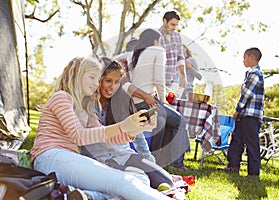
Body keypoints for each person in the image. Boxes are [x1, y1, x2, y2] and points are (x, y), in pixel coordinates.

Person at [30, 56, 172, 200]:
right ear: (77, 75)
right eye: (92, 77)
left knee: (138, 178)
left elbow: (107, 140)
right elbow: (79, 136)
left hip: (66, 160)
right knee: (124, 182)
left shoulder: (85, 108)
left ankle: (89, 196)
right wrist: (122, 126)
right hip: (50, 158)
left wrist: (139, 128)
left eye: (97, 80)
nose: (95, 84)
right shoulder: (61, 97)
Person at [80, 56, 174, 189]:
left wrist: (149, 160)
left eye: (117, 82)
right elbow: (101, 136)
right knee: (134, 183)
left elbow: (139, 138)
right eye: (108, 81)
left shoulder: (122, 101)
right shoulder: (89, 104)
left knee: (166, 182)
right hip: (98, 158)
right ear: (98, 80)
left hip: (124, 154)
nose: (112, 86)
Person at [123, 28, 190, 169]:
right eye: (159, 40)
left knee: (162, 120)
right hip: (147, 103)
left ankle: (160, 160)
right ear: (155, 40)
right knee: (180, 121)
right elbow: (158, 79)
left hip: (134, 103)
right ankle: (177, 163)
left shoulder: (134, 54)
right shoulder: (158, 51)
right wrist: (164, 101)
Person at [218, 47, 264, 178]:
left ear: (251, 57)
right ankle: (233, 166)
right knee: (236, 140)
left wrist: (237, 110)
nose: (243, 60)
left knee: (251, 143)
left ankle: (253, 173)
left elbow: (246, 95)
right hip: (245, 115)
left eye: (244, 57)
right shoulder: (250, 73)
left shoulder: (255, 74)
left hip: (250, 116)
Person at [159, 10, 187, 96]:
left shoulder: (177, 36)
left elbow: (180, 57)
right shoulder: (156, 36)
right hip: (160, 81)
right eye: (172, 24)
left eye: (176, 25)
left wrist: (183, 77)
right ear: (164, 21)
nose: (174, 27)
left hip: (174, 81)